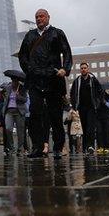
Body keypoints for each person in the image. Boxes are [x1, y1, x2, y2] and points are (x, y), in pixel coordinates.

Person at [18, 9, 73, 160]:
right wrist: (29, 69)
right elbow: (22, 56)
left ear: (48, 17)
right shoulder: (30, 36)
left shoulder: (57, 33)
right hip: (35, 80)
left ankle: (57, 147)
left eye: (41, 16)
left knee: (55, 114)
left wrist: (65, 69)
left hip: (53, 78)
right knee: (35, 113)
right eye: (36, 17)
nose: (38, 19)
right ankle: (37, 147)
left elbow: (67, 52)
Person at [69, 62, 106, 154]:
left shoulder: (93, 80)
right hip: (81, 108)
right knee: (84, 128)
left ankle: (90, 146)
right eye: (81, 68)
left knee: (90, 127)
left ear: (88, 69)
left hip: (91, 107)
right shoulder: (77, 81)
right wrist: (74, 106)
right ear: (80, 70)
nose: (83, 69)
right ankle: (86, 146)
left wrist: (98, 103)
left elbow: (100, 91)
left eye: (85, 68)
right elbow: (72, 93)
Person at [0, 76, 29, 155]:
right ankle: (12, 147)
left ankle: (20, 149)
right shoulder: (8, 88)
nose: (13, 83)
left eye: (15, 81)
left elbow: (25, 99)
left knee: (20, 131)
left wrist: (18, 96)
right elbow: (5, 98)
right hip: (9, 111)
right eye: (12, 81)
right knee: (8, 128)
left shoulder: (22, 88)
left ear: (18, 81)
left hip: (19, 111)